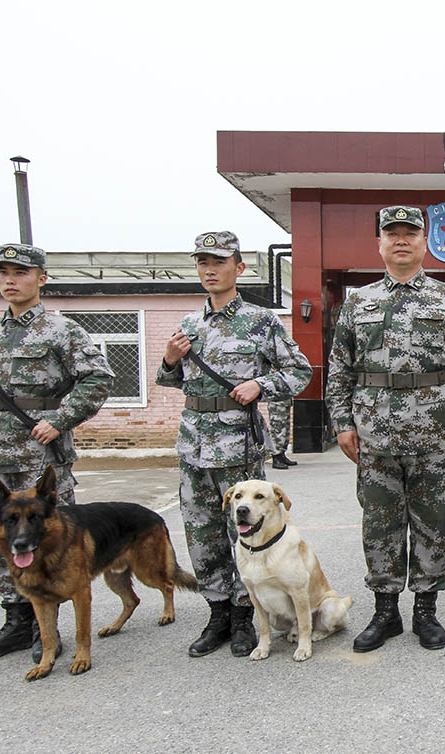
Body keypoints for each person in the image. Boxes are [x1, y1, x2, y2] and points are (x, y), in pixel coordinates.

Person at [0, 243, 113, 665]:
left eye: (19, 272)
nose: (9, 280)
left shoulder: (62, 331)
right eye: (2, 272)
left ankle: (45, 627)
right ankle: (16, 620)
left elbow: (98, 379)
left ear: (41, 278)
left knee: (55, 537)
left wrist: (60, 419)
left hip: (41, 452)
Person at [326, 206, 445, 652]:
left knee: (434, 522)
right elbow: (340, 369)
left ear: (424, 242)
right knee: (379, 524)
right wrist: (343, 423)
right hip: (374, 435)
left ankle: (426, 611)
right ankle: (385, 612)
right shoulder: (359, 301)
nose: (401, 240)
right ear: (379, 243)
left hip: (435, 435)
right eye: (391, 233)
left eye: (410, 233)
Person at [156, 231, 313, 657]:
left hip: (237, 445)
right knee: (200, 531)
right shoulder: (189, 325)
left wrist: (260, 384)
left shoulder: (261, 322)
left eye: (219, 262)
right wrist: (170, 359)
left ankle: (245, 615)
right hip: (193, 444)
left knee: (244, 532)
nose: (210, 269)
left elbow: (299, 372)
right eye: (202, 262)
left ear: (239, 268)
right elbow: (170, 380)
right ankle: (217, 613)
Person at [268, 398, 297, 469]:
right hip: (277, 404)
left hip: (285, 402)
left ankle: (282, 455)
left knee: (285, 430)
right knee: (277, 430)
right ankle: (276, 457)